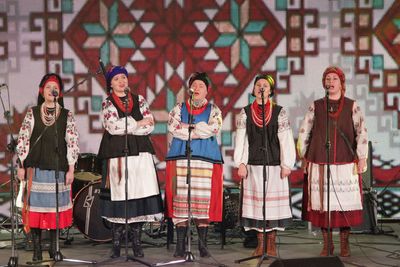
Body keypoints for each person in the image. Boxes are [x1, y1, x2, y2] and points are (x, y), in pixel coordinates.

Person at [297, 66, 368, 257]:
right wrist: (304, 155)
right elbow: (305, 130)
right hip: (320, 160)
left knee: (344, 204)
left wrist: (362, 157)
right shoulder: (317, 105)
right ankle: (327, 245)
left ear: (341, 82)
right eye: (327, 79)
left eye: (334, 78)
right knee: (323, 204)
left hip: (345, 162)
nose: (330, 82)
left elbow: (362, 131)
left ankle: (345, 245)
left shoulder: (352, 105)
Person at [97, 65, 163, 258]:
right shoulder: (108, 103)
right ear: (110, 83)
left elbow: (149, 124)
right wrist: (136, 123)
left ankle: (136, 241)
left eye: (123, 78)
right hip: (118, 153)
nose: (121, 81)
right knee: (120, 195)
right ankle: (117, 241)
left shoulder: (139, 99)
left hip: (140, 152)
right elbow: (112, 126)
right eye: (117, 79)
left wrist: (130, 125)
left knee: (139, 193)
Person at [16, 73, 79, 261]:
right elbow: (23, 140)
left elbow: (73, 141)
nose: (53, 89)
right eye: (49, 86)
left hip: (58, 168)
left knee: (55, 211)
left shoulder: (66, 115)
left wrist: (71, 169)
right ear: (42, 91)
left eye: (56, 87)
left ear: (59, 92)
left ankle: (54, 247)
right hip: (36, 167)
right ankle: (36, 249)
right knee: (35, 210)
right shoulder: (32, 112)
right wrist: (20, 165)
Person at [234, 74, 296, 257]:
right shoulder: (245, 112)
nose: (261, 88)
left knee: (273, 208)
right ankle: (260, 244)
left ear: (270, 91)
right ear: (254, 90)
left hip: (275, 165)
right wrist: (241, 163)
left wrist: (287, 164)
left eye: (265, 86)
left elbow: (285, 140)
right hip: (253, 165)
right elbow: (241, 141)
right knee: (256, 206)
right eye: (258, 85)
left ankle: (272, 245)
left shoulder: (279, 112)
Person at [164, 72, 224, 258]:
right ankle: (180, 245)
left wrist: (188, 128)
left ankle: (203, 245)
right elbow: (173, 128)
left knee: (202, 202)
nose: (197, 88)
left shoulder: (214, 110)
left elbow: (213, 129)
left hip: (205, 160)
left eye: (201, 86)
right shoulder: (178, 108)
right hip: (180, 159)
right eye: (194, 85)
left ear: (207, 90)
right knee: (179, 200)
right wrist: (197, 128)